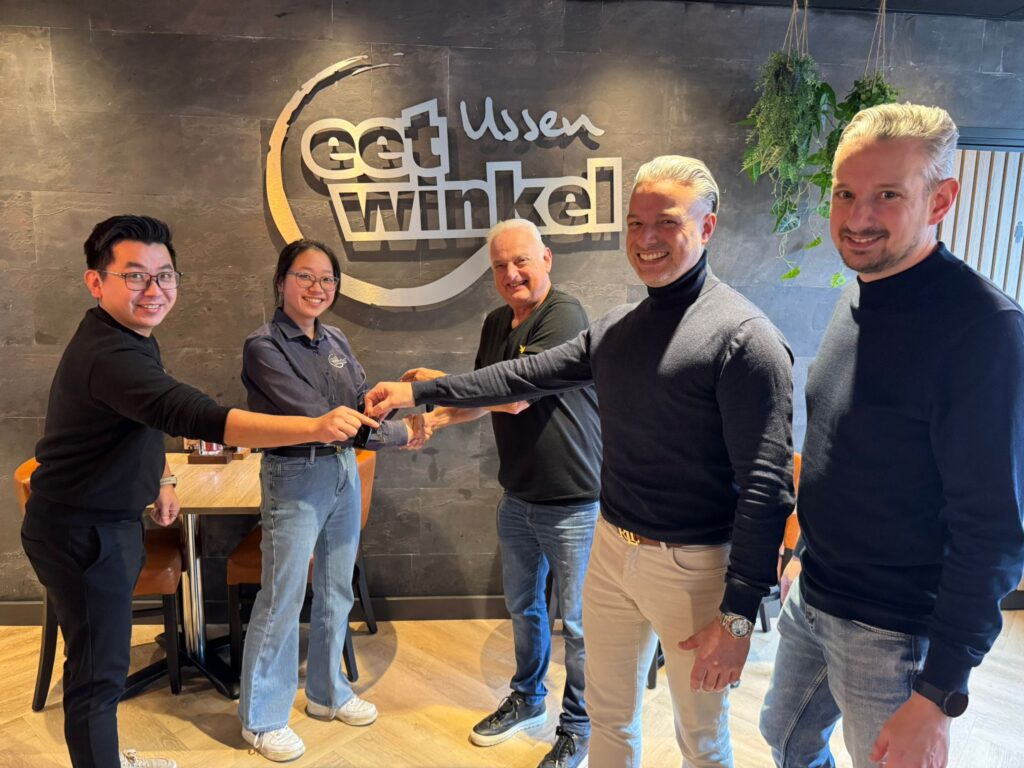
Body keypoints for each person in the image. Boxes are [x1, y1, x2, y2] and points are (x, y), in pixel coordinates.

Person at [365, 156, 795, 768]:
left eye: (666, 221)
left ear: (707, 227)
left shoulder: (745, 338)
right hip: (612, 549)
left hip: (693, 566)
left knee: (702, 740)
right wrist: (420, 392)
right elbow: (519, 377)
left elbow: (767, 488)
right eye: (635, 222)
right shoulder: (617, 330)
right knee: (609, 720)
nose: (646, 238)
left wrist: (738, 616)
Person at [21, 215, 381, 768]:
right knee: (98, 675)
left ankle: (109, 759)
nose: (154, 289)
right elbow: (192, 413)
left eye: (164, 275)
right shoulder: (112, 354)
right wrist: (315, 425)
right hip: (84, 531)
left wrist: (162, 478)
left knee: (101, 666)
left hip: (108, 520)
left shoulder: (129, 337)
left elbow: (141, 419)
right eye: (135, 275)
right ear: (96, 281)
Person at [759, 103, 1024, 768]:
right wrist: (799, 552)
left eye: (887, 195)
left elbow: (993, 531)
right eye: (845, 193)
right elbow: (842, 452)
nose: (857, 217)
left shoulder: (983, 330)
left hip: (896, 631)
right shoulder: (860, 293)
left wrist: (938, 695)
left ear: (941, 200)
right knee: (786, 737)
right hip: (816, 595)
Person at [403, 219, 602, 768]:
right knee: (524, 607)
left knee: (579, 625)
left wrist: (429, 384)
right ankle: (528, 698)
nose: (511, 273)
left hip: (575, 501)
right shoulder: (496, 322)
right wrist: (437, 419)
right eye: (500, 266)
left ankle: (579, 726)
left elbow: (515, 396)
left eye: (521, 261)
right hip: (518, 496)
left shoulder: (564, 316)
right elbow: (482, 395)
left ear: (547, 259)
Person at [236, 239, 426, 762]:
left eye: (327, 279)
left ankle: (327, 693)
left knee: (337, 589)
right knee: (282, 597)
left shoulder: (336, 338)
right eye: (305, 276)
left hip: (344, 472)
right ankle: (262, 719)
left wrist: (389, 403)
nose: (317, 287)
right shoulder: (264, 347)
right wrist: (403, 434)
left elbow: (358, 401)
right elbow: (326, 419)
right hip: (295, 475)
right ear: (281, 282)